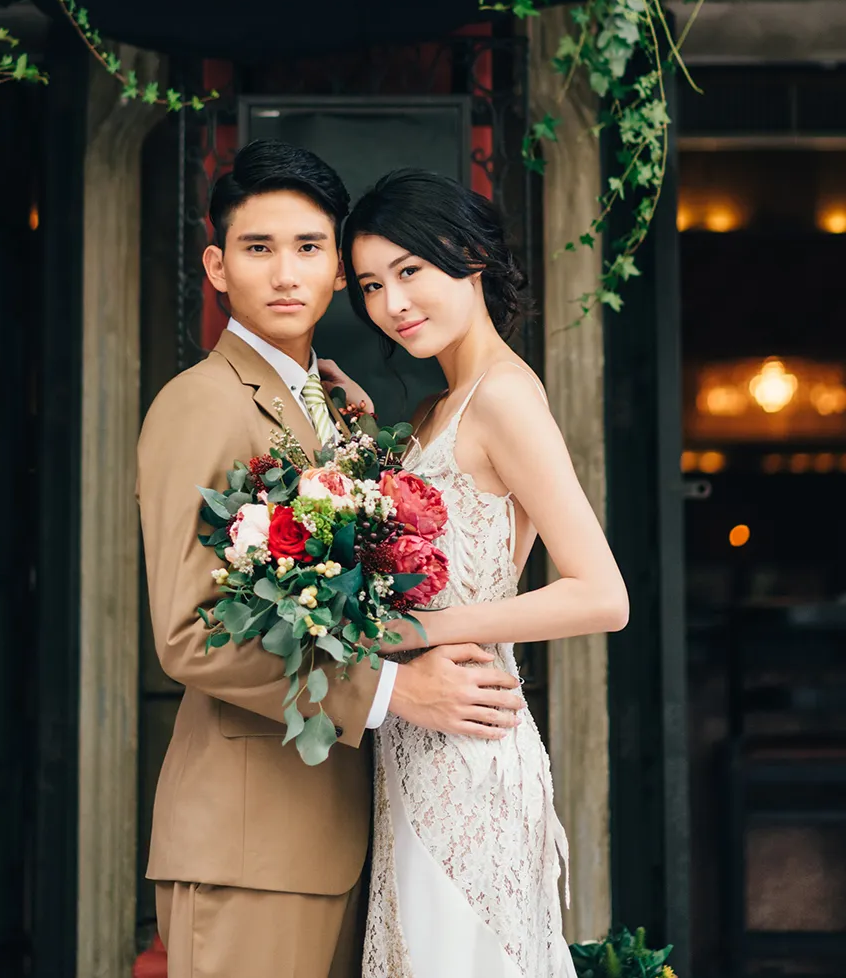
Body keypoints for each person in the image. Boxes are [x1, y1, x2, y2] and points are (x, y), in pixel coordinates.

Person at [136, 142, 525, 978]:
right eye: (257, 248)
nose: (285, 274)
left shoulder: (340, 406)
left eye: (309, 248)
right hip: (252, 846)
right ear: (216, 265)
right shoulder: (198, 405)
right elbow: (188, 635)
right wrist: (395, 688)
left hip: (358, 828)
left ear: (339, 269)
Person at [332, 168, 629, 978]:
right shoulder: (436, 408)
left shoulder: (504, 398)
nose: (392, 302)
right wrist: (358, 443)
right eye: (369, 285)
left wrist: (425, 630)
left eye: (409, 271)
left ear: (469, 257)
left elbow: (603, 596)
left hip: (469, 745)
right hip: (414, 742)